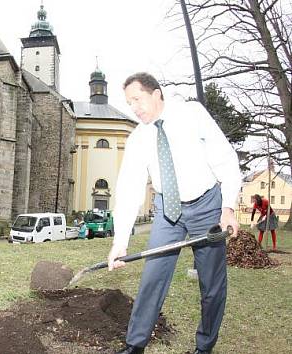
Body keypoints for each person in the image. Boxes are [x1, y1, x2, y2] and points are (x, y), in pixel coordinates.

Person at [108, 73, 241, 354]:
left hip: (206, 206)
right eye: (129, 102)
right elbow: (129, 190)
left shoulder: (191, 114)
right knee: (152, 278)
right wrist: (120, 243)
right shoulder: (138, 139)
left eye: (137, 99)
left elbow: (225, 158)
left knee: (212, 285)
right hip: (168, 212)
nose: (134, 107)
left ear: (156, 94)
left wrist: (228, 207)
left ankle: (204, 347)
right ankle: (135, 345)